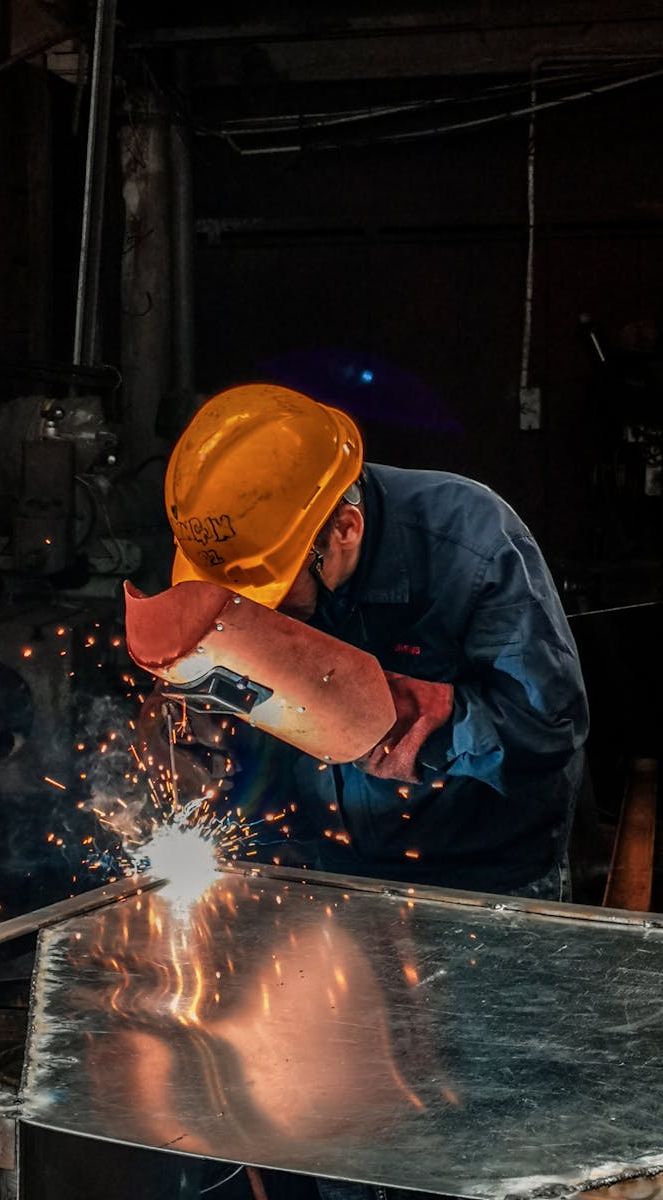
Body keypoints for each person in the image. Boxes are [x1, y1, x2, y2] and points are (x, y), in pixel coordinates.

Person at [136, 382, 589, 1200]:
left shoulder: (471, 542)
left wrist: (414, 722)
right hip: (326, 887)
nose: (253, 613)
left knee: (478, 1141)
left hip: (479, 886)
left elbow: (546, 729)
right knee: (339, 1134)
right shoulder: (242, 544)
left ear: (342, 528)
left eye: (271, 598)